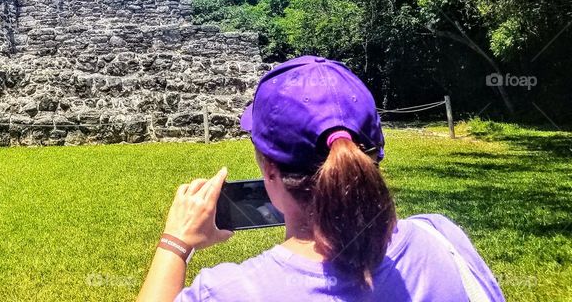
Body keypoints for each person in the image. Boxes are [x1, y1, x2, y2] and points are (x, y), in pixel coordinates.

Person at [136, 55, 505, 302]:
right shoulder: (442, 237)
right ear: (373, 153)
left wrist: (175, 244)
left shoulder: (229, 292)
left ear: (269, 169)